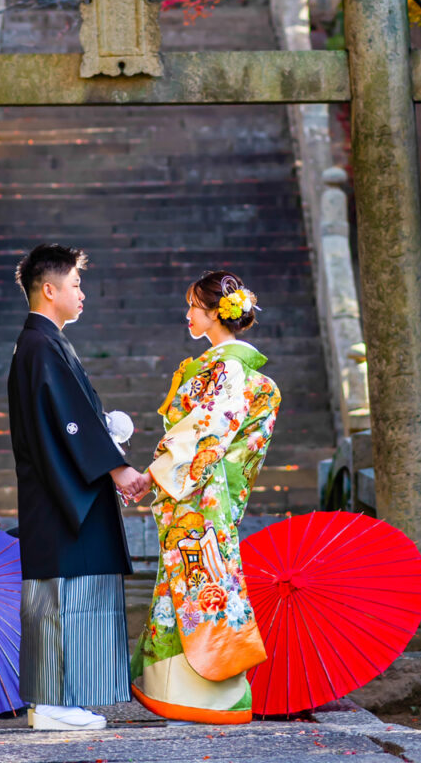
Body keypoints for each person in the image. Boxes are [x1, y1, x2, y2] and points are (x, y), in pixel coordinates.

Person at [8, 244, 150, 731]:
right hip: (61, 493)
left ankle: (55, 700)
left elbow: (72, 418)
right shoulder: (41, 346)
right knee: (60, 594)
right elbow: (68, 422)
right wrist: (118, 469)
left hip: (60, 489)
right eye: (75, 285)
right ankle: (51, 703)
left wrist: (105, 430)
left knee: (61, 595)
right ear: (49, 290)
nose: (82, 294)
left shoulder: (43, 344)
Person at [131, 271, 281, 724]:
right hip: (209, 494)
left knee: (200, 586)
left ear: (217, 313)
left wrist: (154, 473)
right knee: (199, 585)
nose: (189, 314)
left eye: (194, 306)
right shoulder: (234, 368)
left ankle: (203, 696)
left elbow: (204, 434)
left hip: (198, 492)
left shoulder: (226, 368)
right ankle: (180, 689)